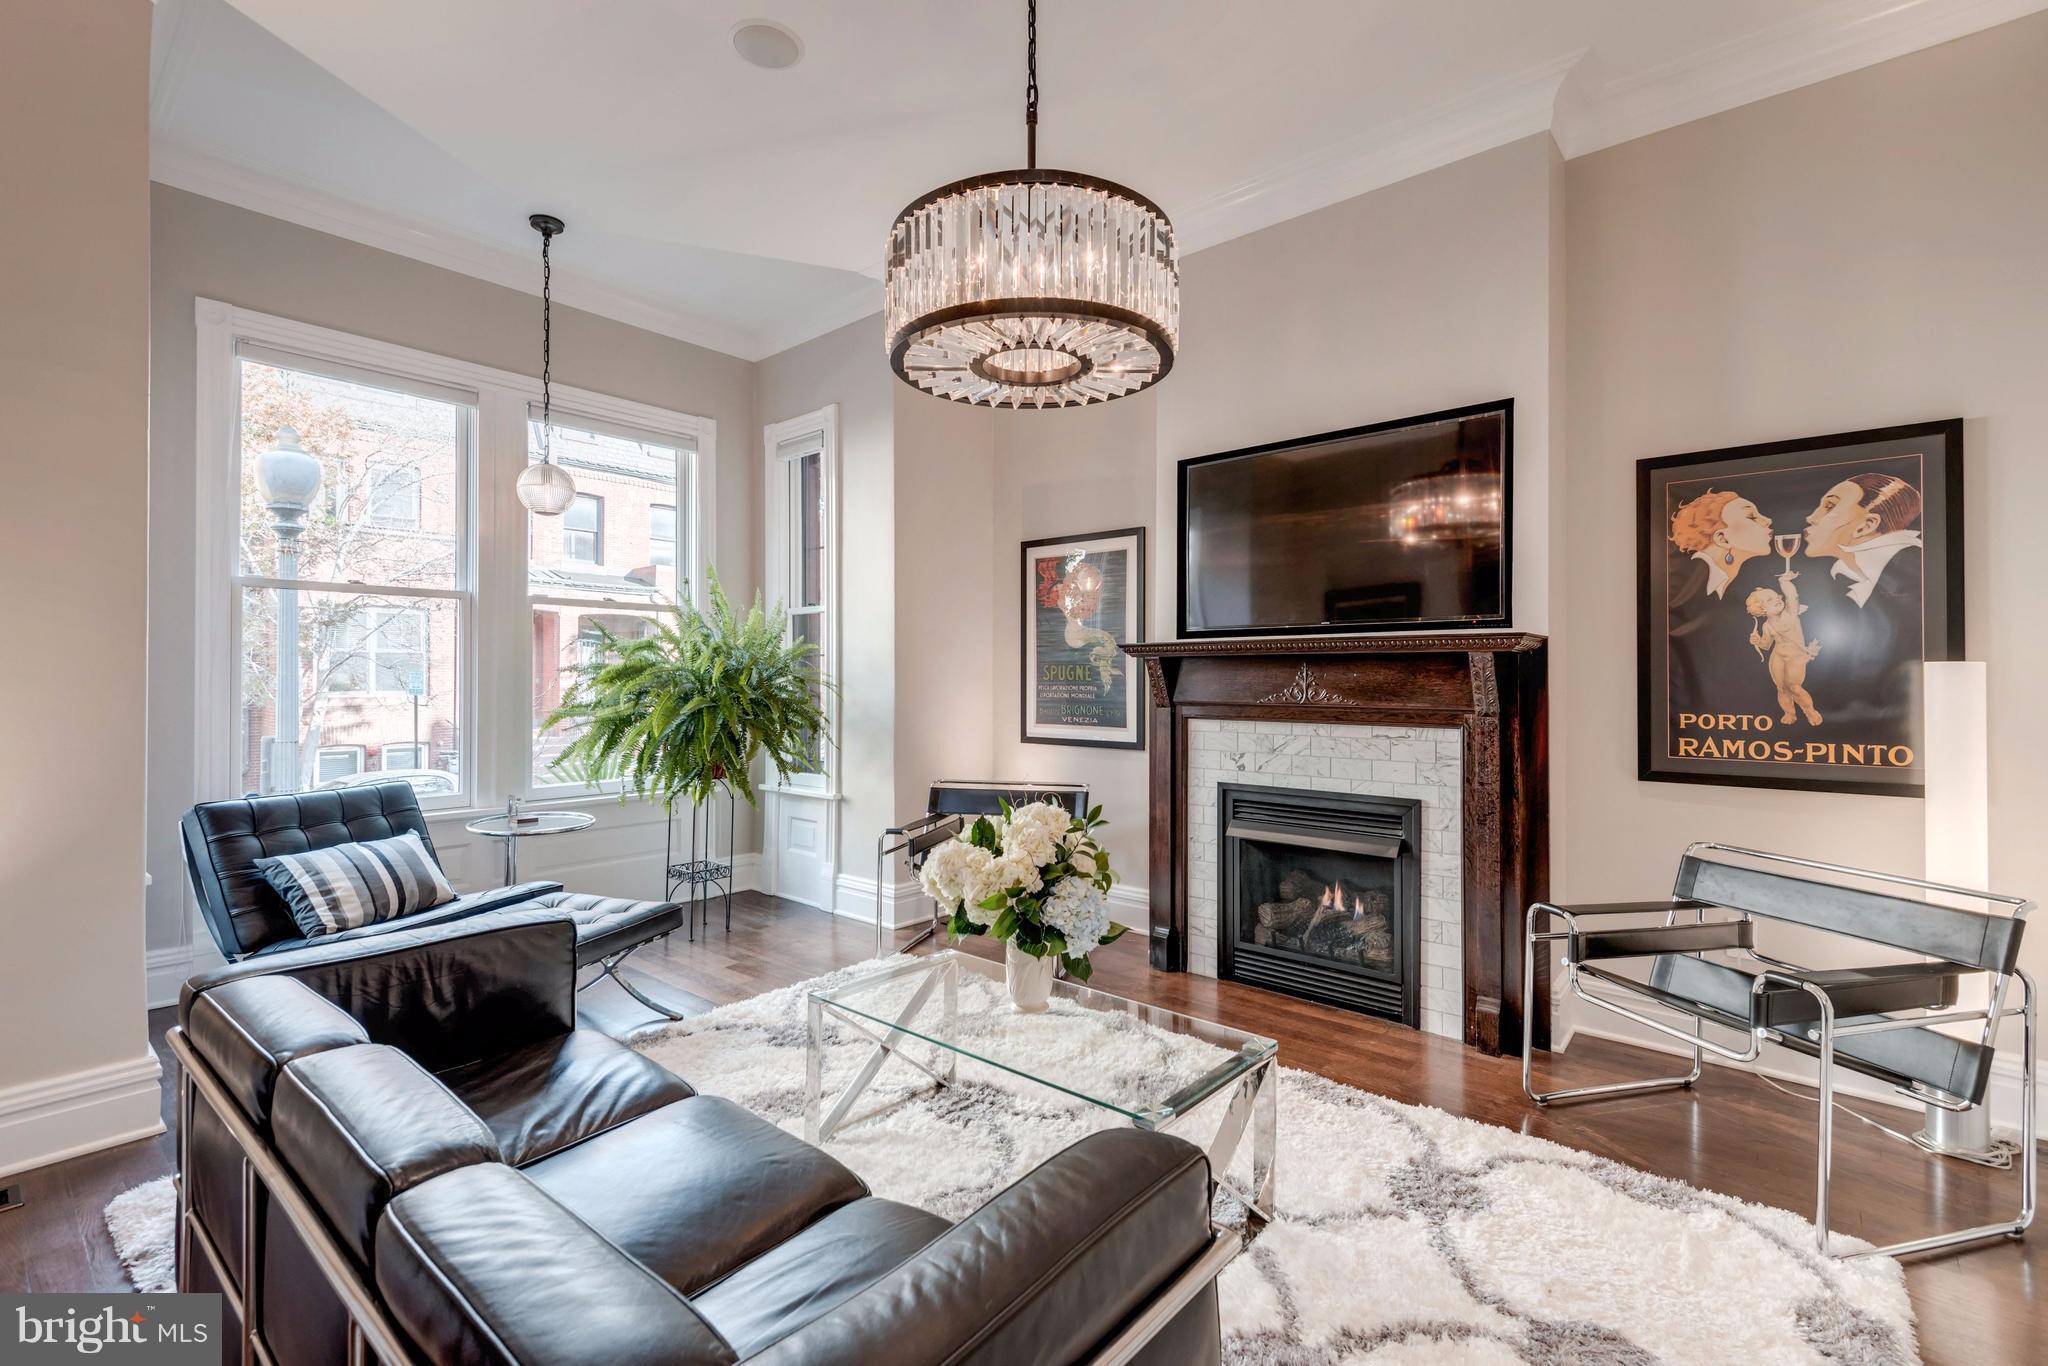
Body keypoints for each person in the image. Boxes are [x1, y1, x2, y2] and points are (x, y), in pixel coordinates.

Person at [1803, 473, 1923, 607]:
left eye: (1830, 506)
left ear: (1866, 526)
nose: (1811, 518)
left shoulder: (1915, 577)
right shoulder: (1849, 580)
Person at [1746, 572, 1823, 726]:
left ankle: (1810, 711)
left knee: (1794, 687)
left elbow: (1792, 596)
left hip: (1796, 657)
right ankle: (1790, 713)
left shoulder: (1790, 613)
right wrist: (1757, 640)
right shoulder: (1766, 626)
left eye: (1777, 596)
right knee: (1781, 688)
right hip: (1778, 657)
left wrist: (1784, 581)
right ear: (1761, 610)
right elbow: (1766, 645)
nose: (1777, 599)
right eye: (1769, 600)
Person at [1668, 488, 1774, 599]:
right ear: (1722, 539)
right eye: (1752, 517)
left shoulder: (1728, 578)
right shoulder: (1691, 582)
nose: (1768, 520)